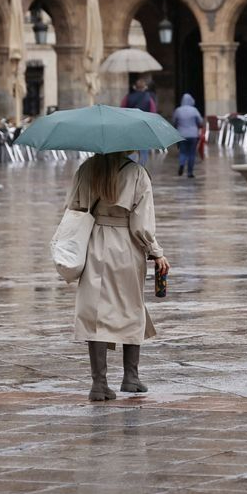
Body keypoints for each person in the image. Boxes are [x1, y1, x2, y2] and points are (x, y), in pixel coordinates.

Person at [67, 152, 170, 401]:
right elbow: (141, 224)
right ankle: (131, 377)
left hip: (93, 243)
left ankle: (99, 384)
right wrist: (156, 252)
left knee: (95, 313)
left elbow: (74, 207)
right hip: (126, 247)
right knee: (131, 307)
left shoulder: (87, 169)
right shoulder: (136, 173)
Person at [121, 79, 157, 165]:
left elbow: (121, 109)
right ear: (145, 87)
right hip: (144, 126)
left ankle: (129, 166)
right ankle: (141, 168)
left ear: (134, 87)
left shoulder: (128, 97)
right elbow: (153, 112)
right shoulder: (149, 98)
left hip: (130, 126)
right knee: (144, 149)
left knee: (130, 148)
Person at [172, 93, 204, 177]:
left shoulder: (178, 110)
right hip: (193, 134)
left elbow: (174, 121)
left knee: (182, 152)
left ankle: (182, 164)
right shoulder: (194, 110)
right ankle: (190, 172)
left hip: (181, 134)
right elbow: (200, 121)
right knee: (192, 153)